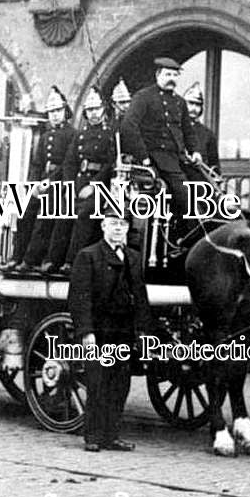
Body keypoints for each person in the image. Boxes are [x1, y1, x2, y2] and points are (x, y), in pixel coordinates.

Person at [68, 203, 150, 452]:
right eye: (113, 224)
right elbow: (79, 298)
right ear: (103, 226)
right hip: (100, 331)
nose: (118, 229)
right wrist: (86, 332)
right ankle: (93, 437)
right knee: (98, 383)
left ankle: (112, 436)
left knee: (120, 384)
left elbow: (141, 297)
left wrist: (143, 332)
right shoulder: (89, 256)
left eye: (122, 224)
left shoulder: (133, 258)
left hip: (123, 331)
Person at [121, 57, 201, 235]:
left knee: (206, 189)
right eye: (167, 74)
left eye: (175, 74)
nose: (172, 78)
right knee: (186, 198)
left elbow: (188, 131)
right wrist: (144, 157)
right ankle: (186, 240)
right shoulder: (143, 97)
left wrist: (195, 151)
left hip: (177, 160)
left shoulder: (180, 102)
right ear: (158, 75)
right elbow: (129, 126)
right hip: (154, 160)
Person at [43, 86, 115, 275]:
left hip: (101, 187)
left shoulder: (110, 135)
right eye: (89, 110)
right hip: (79, 183)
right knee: (63, 212)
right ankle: (53, 260)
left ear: (104, 109)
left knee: (84, 214)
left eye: (96, 109)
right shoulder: (80, 135)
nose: (93, 114)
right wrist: (69, 186)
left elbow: (110, 165)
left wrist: (93, 186)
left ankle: (72, 261)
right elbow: (69, 162)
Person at [13, 86, 76, 272]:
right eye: (51, 112)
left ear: (65, 111)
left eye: (58, 111)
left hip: (60, 183)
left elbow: (68, 164)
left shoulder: (72, 135)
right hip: (41, 182)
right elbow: (36, 164)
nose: (55, 115)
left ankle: (31, 260)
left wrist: (49, 182)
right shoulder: (45, 136)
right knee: (24, 214)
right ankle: (17, 257)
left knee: (44, 217)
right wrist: (33, 185)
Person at [182, 82, 221, 183]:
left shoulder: (207, 134)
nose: (194, 108)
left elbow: (214, 166)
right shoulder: (173, 129)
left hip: (198, 184)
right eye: (190, 103)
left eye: (197, 105)